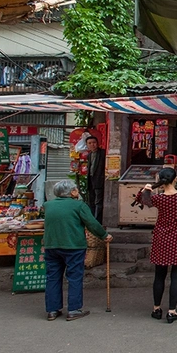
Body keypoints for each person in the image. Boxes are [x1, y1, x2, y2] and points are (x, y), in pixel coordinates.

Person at [43, 180, 112, 321]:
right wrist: (104, 235)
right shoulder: (79, 205)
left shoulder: (48, 205)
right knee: (74, 277)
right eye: (76, 189)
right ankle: (73, 309)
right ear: (72, 192)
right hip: (73, 246)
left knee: (52, 277)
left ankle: (52, 310)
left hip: (51, 246)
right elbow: (92, 223)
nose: (77, 191)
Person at [137, 167, 177, 323]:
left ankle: (156, 309)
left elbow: (142, 199)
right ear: (175, 179)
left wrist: (145, 189)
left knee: (159, 275)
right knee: (176, 276)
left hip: (161, 238)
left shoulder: (159, 199)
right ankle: (172, 311)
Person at [86, 136, 106, 224]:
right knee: (92, 201)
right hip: (91, 179)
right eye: (89, 143)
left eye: (93, 142)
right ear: (87, 145)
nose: (92, 145)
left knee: (98, 201)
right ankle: (92, 219)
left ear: (97, 143)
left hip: (99, 180)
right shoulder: (89, 155)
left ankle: (97, 221)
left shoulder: (102, 153)